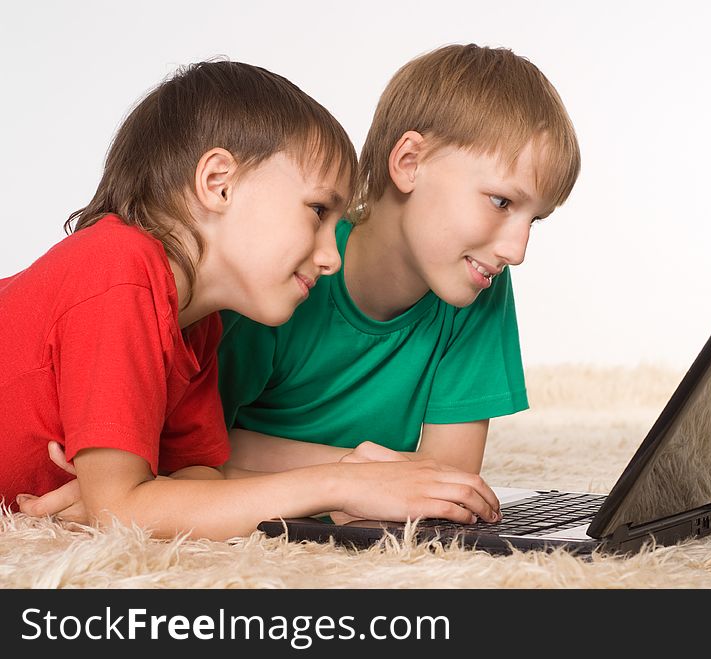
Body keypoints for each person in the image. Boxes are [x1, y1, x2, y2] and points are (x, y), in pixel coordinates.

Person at [4, 60, 500, 541]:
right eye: (318, 210)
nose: (332, 258)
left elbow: (198, 480)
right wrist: (339, 483)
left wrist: (145, 500)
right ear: (219, 183)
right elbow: (124, 508)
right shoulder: (117, 269)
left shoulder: (198, 326)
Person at [217, 44, 581, 478]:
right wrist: (355, 476)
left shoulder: (479, 284)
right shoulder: (290, 266)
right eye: (501, 202)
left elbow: (451, 472)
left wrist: (365, 476)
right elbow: (193, 447)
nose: (516, 252)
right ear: (410, 162)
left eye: (534, 220)